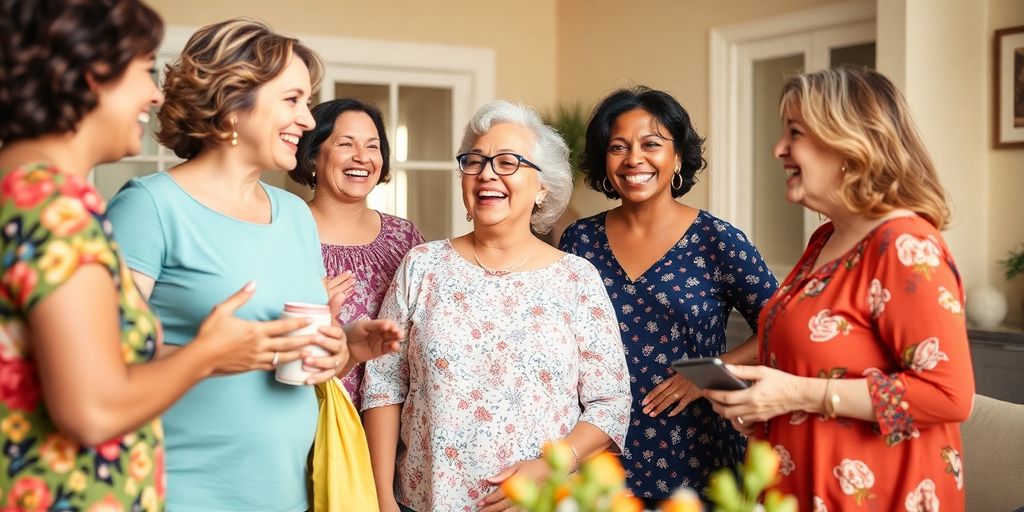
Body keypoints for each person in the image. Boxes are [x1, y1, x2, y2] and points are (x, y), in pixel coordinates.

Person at [0, 3, 322, 510]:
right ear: (91, 76)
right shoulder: (52, 204)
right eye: (143, 69)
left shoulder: (37, 194)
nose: (155, 93)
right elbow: (92, 409)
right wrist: (208, 354)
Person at [105, 19, 401, 512]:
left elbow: (294, 363)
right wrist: (207, 354)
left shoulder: (293, 216)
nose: (306, 120)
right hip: (181, 495)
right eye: (292, 100)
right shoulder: (149, 207)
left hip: (290, 496)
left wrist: (343, 350)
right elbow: (98, 370)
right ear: (231, 101)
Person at [704, 67, 975, 511]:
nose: (779, 149)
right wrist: (761, 407)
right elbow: (811, 370)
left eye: (795, 133)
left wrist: (794, 394)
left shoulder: (905, 245)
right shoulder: (824, 239)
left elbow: (948, 395)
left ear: (849, 144)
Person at [362, 100, 632, 512]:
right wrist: (382, 498)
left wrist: (550, 466)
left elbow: (610, 402)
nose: (487, 174)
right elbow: (384, 384)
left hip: (542, 502)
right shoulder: (423, 266)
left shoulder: (576, 279)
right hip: (427, 502)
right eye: (475, 162)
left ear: (543, 187)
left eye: (508, 162)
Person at [558, 86, 778, 504]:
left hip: (696, 449)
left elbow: (783, 325)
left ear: (677, 157)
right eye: (618, 147)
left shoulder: (717, 239)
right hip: (598, 449)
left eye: (651, 144)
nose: (633, 159)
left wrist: (709, 373)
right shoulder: (579, 240)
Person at [289, 98, 424, 409]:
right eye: (346, 144)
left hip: (391, 421)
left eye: (372, 146)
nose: (362, 157)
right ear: (312, 156)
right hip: (310, 416)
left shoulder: (404, 238)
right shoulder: (285, 232)